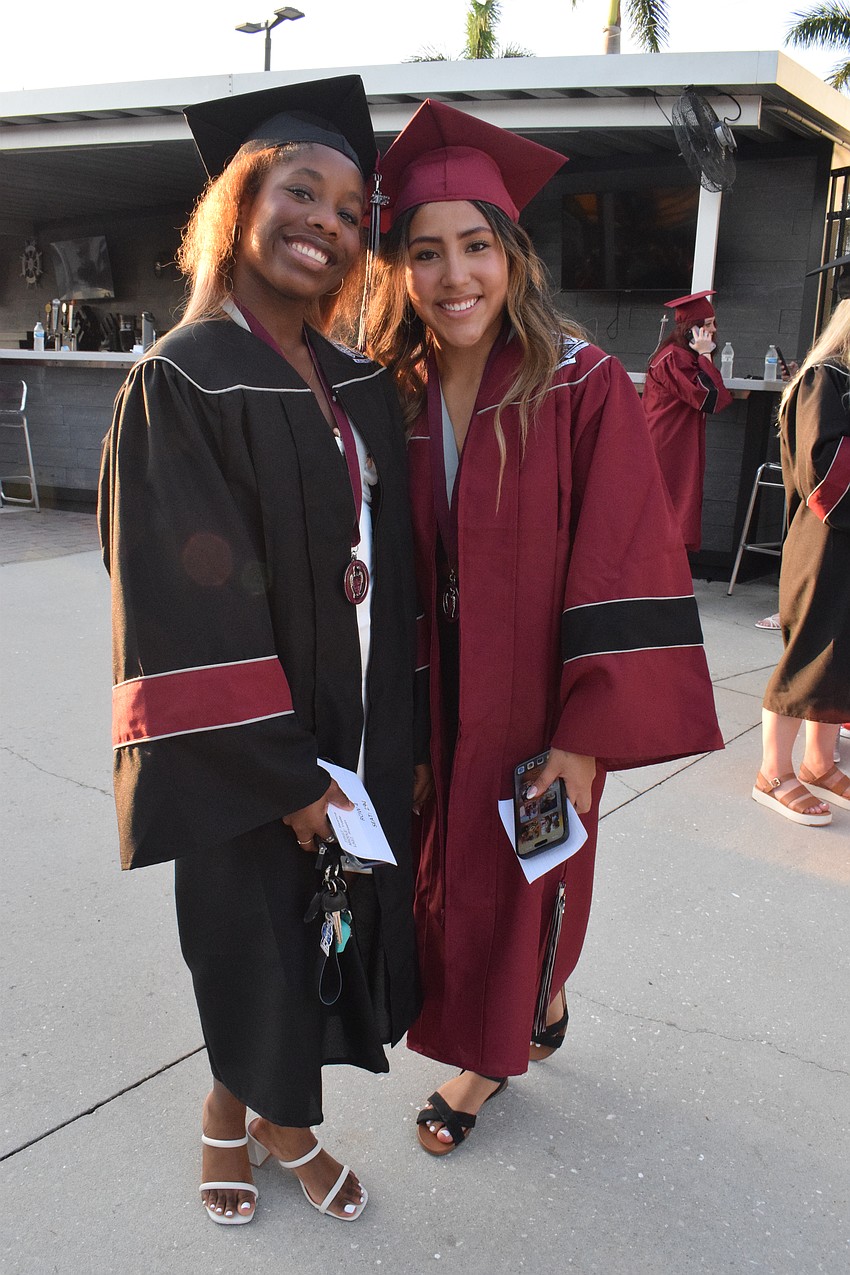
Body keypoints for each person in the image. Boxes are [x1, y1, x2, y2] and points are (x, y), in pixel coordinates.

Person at [360, 100, 723, 1154]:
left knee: (525, 880)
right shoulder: (393, 391)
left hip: (542, 705)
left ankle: (486, 1064)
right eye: (424, 253)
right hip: (436, 701)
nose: (453, 275)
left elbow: (622, 555)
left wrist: (581, 736)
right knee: (451, 881)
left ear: (513, 256)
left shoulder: (581, 384)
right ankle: (539, 1007)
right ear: (400, 271)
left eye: (475, 245)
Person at [97, 77, 421, 1226]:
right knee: (252, 942)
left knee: (320, 940)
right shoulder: (180, 379)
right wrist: (283, 779)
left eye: (349, 210)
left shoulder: (359, 385)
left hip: (361, 728)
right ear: (241, 204)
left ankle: (244, 1117)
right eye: (301, 191)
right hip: (258, 754)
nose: (327, 223)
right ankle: (268, 1130)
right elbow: (180, 607)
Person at [753, 298, 850, 825]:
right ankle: (773, 772)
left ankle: (817, 763)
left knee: (841, 654)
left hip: (846, 540)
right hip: (824, 541)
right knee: (810, 652)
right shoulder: (825, 378)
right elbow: (824, 471)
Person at [643, 291, 734, 552]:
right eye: (707, 325)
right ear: (691, 330)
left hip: (677, 439)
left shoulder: (680, 355)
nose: (714, 330)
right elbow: (710, 397)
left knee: (677, 502)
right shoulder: (674, 358)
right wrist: (706, 356)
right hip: (666, 442)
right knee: (669, 504)